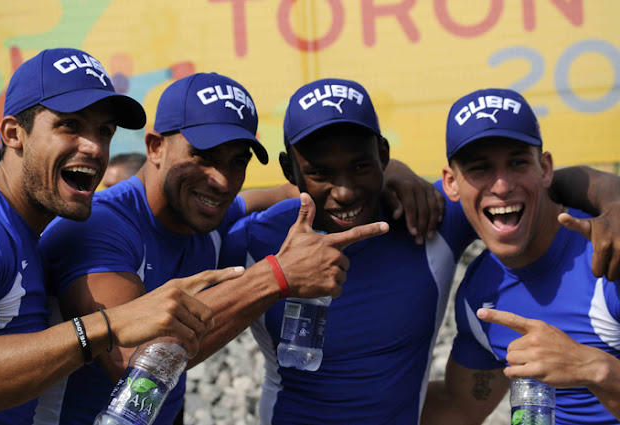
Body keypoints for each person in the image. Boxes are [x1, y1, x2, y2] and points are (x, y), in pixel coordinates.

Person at [218, 79, 620, 424]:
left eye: (361, 166)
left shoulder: (428, 218)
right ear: (291, 171)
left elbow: (535, 185)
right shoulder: (253, 241)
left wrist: (615, 202)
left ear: (383, 156)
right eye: (321, 173)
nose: (344, 191)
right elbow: (187, 251)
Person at [38, 72, 393, 425]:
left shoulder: (204, 212)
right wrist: (276, 277)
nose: (222, 181)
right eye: (203, 157)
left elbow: (292, 190)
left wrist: (390, 175)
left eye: (237, 161)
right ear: (156, 147)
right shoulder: (98, 227)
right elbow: (134, 365)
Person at [0, 47, 241, 424]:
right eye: (70, 125)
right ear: (14, 133)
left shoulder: (22, 232)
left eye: (103, 131)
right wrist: (110, 324)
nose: (94, 147)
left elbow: (247, 202)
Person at [421, 88, 620, 424]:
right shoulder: (478, 295)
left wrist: (596, 369)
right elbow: (460, 407)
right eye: (480, 168)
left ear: (545, 169)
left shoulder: (607, 256)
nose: (501, 186)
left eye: (517, 163)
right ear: (450, 183)